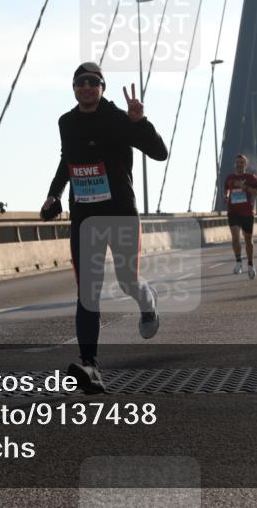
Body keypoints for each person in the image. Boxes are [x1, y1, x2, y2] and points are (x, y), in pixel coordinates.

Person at [42, 62, 168, 394]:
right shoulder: (66, 122)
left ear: (102, 87)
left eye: (93, 82)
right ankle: (90, 365)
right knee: (88, 292)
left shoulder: (117, 119)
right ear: (73, 87)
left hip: (121, 214)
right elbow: (66, 161)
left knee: (127, 280)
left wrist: (140, 123)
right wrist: (54, 194)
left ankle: (147, 301)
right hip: (85, 219)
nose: (86, 87)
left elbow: (160, 153)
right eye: (80, 82)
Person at [224, 154, 257, 279]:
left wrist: (245, 187)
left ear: (245, 165)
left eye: (242, 162)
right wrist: (226, 196)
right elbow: (226, 190)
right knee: (235, 238)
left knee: (248, 241)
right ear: (235, 164)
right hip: (233, 212)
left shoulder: (250, 177)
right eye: (237, 162)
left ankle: (250, 264)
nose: (239, 164)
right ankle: (238, 262)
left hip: (246, 213)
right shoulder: (230, 177)